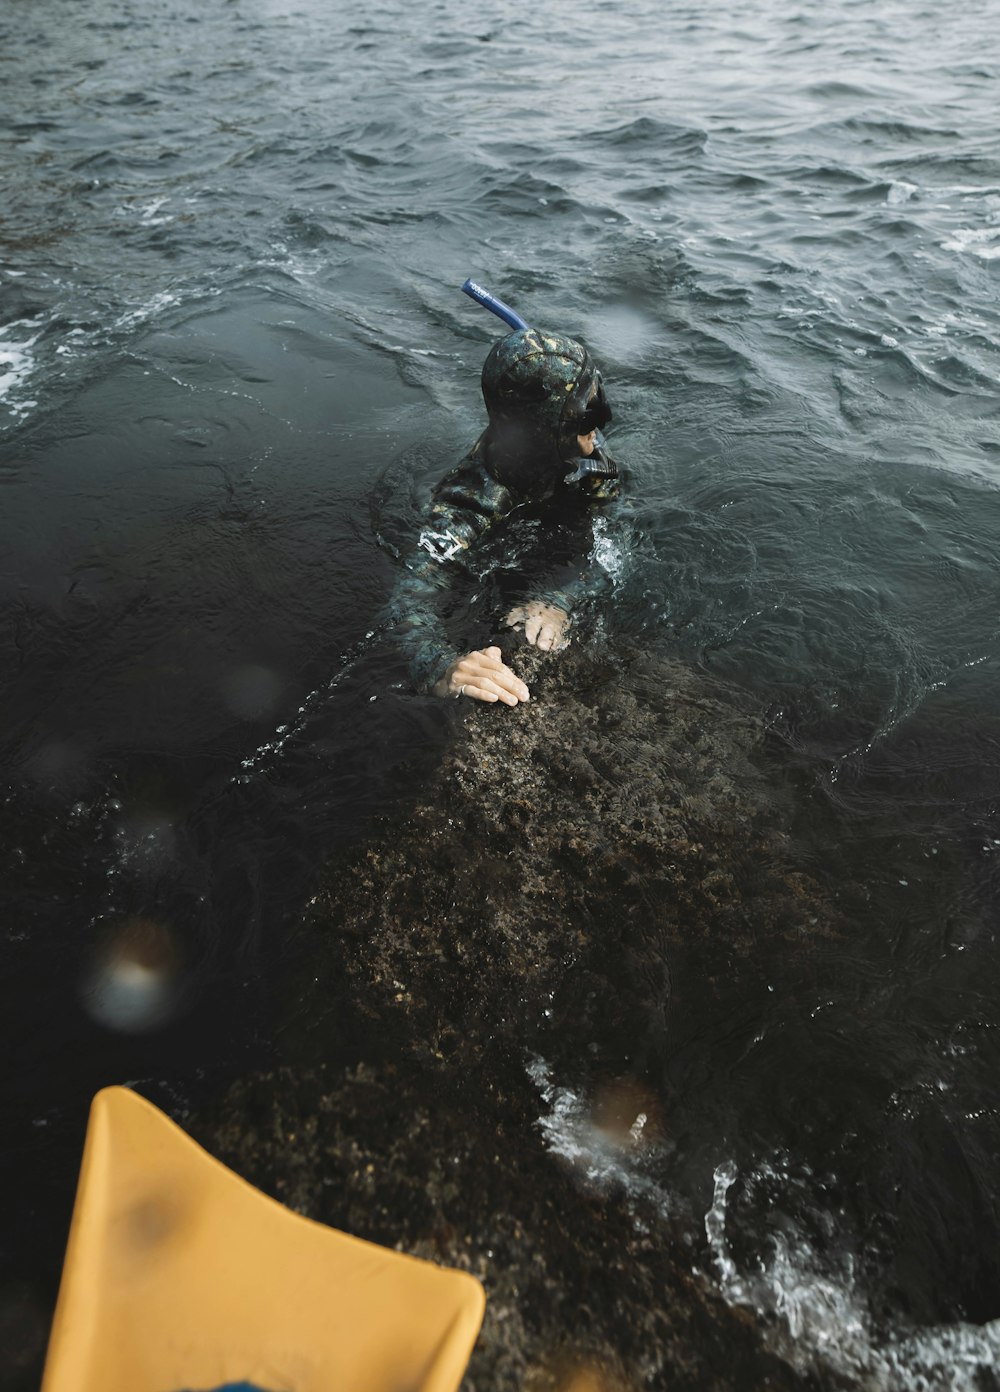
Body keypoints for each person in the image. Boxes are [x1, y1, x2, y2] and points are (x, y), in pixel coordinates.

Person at [391, 325, 621, 705]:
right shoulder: (467, 507)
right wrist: (440, 667)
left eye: (599, 398)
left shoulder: (584, 451)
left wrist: (563, 597)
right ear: (547, 426)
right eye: (589, 412)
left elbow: (618, 532)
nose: (602, 423)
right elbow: (406, 601)